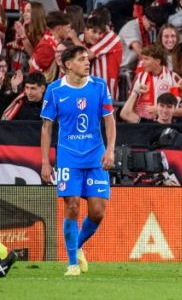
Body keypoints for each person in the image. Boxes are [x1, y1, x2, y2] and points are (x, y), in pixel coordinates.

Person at [39, 45, 116, 277]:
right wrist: (45, 162)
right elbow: (46, 128)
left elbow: (110, 121)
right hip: (68, 157)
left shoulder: (99, 86)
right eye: (82, 59)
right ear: (68, 64)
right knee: (71, 206)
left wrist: (110, 150)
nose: (87, 62)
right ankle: (72, 263)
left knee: (97, 212)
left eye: (87, 59)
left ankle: (78, 245)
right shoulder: (54, 90)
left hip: (95, 156)